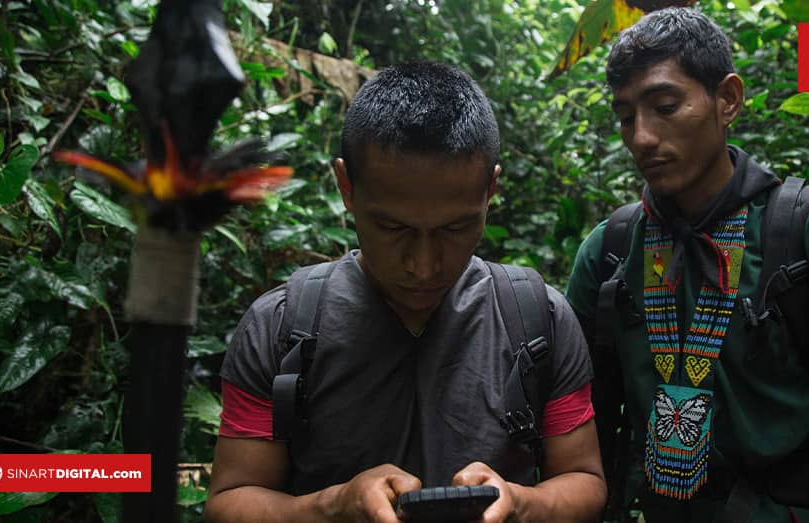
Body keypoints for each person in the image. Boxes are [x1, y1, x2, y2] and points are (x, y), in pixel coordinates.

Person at [205, 61, 605, 523]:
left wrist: (520, 503)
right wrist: (332, 506)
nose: (424, 266)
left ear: (490, 190)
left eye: (454, 228)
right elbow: (229, 500)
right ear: (346, 187)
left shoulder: (538, 318)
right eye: (392, 228)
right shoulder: (280, 328)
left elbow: (584, 480)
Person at [565, 7, 809, 522]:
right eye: (625, 117)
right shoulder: (610, 253)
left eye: (665, 107)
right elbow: (584, 438)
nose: (641, 137)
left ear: (727, 99)